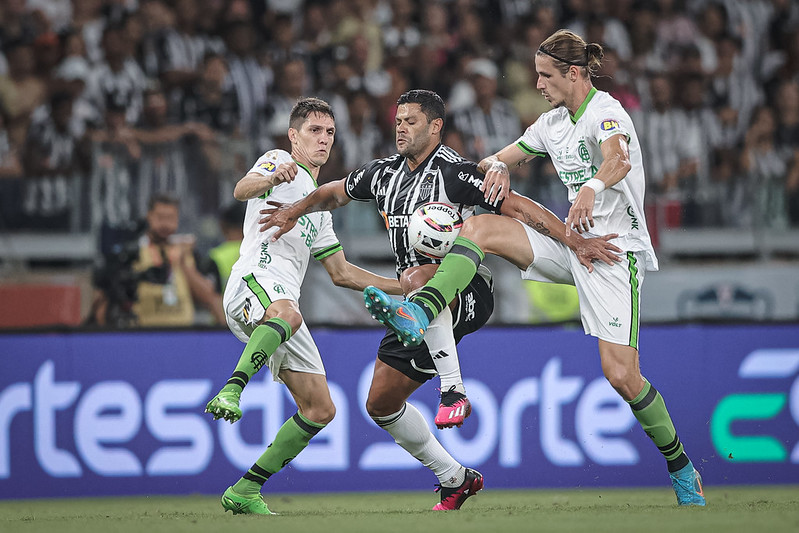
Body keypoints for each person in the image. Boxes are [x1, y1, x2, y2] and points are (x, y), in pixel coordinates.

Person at [363, 31, 706, 507]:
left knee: (622, 376)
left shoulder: (606, 112)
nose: (538, 84)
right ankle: (422, 311)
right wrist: (498, 166)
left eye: (545, 75)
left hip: (610, 252)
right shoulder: (550, 124)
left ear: (573, 73)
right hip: (572, 244)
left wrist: (589, 190)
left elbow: (618, 160)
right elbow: (494, 161)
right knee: (481, 225)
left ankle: (680, 466)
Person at [259, 89, 619, 510]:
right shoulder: (383, 174)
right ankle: (455, 477)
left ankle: (454, 391)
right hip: (416, 301)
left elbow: (518, 207)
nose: (400, 128)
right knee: (380, 402)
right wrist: (294, 210)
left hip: (467, 290)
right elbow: (333, 193)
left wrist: (575, 242)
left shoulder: (455, 173)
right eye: (397, 121)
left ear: (434, 127)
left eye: (410, 121)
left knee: (416, 275)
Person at [204, 97, 402, 515]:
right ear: (293, 136)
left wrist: (402, 286)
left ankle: (245, 491)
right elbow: (242, 190)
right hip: (253, 282)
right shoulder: (278, 160)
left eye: (330, 132)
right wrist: (275, 172)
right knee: (289, 313)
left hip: (282, 305)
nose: (324, 139)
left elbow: (342, 273)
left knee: (320, 409)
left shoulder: (319, 206)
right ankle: (232, 388)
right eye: (314, 130)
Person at [89, 193, 225, 327]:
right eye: (160, 217)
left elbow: (208, 297)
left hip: (183, 334)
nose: (165, 224)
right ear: (149, 216)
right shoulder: (132, 251)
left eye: (170, 218)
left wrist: (183, 264)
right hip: (144, 333)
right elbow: (105, 297)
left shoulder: (187, 253)